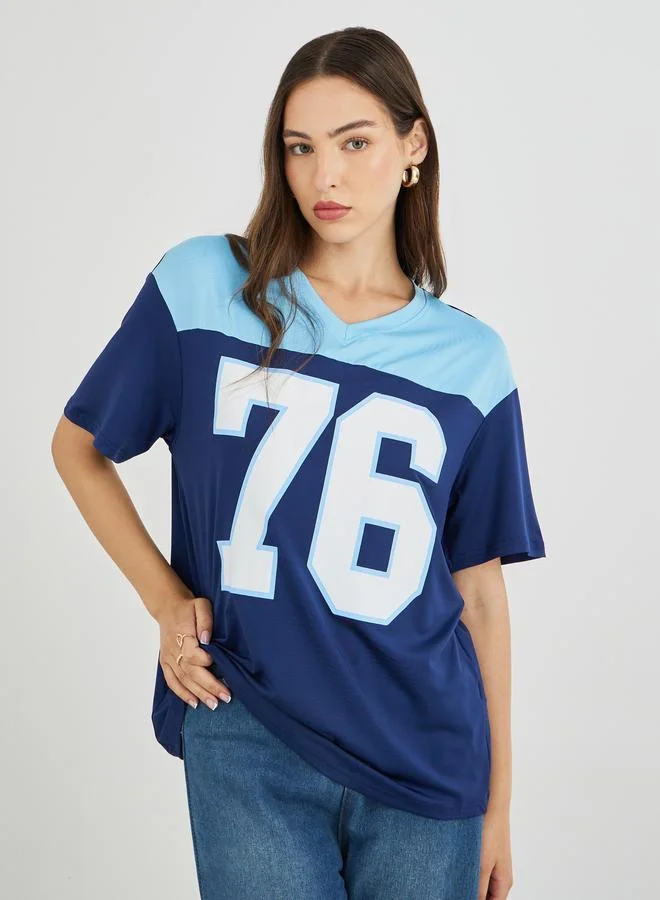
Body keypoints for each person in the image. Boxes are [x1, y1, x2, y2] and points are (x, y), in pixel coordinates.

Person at [51, 25, 545, 900]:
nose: (325, 177)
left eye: (355, 143)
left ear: (413, 146)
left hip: (429, 760)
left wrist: (499, 806)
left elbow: (478, 593)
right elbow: (78, 448)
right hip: (248, 724)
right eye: (300, 147)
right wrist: (166, 603)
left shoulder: (473, 362)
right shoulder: (205, 287)